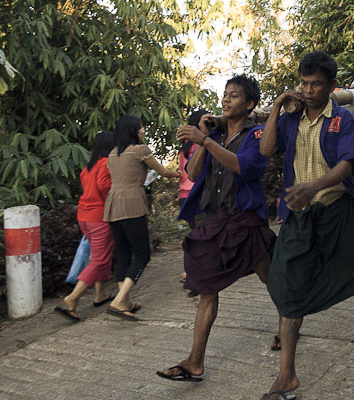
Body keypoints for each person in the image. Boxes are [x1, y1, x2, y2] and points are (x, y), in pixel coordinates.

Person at [259, 51, 354, 400]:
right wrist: (277, 105)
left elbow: (347, 165)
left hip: (337, 210)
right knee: (288, 285)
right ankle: (287, 375)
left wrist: (314, 185)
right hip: (300, 216)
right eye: (304, 83)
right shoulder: (290, 119)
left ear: (330, 86)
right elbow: (267, 149)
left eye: (316, 84)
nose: (309, 90)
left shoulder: (341, 119)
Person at [156, 75, 280, 381]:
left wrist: (206, 141)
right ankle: (195, 361)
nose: (226, 100)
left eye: (234, 96)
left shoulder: (257, 135)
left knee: (271, 278)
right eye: (224, 95)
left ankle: (287, 324)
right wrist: (205, 138)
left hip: (246, 221)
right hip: (217, 221)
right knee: (206, 289)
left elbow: (246, 167)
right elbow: (194, 172)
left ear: (249, 104)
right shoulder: (215, 137)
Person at [103, 115, 180, 320]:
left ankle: (124, 301)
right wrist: (180, 174)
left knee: (124, 253)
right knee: (142, 254)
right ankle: (119, 300)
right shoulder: (140, 150)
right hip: (132, 204)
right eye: (141, 128)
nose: (143, 131)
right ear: (133, 131)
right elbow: (162, 171)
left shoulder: (112, 154)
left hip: (112, 205)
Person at [55, 131, 116, 321]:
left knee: (102, 254)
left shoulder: (88, 167)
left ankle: (100, 294)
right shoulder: (106, 164)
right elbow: (105, 186)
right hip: (99, 217)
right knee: (98, 259)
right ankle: (73, 298)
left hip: (84, 216)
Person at [178, 110, 208, 298]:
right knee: (202, 239)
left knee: (197, 236)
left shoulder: (185, 145)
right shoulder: (201, 144)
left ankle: (190, 274)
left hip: (184, 195)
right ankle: (193, 279)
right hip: (197, 194)